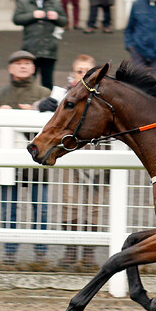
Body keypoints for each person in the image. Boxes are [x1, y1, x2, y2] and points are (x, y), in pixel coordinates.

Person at [0, 50, 53, 267]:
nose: (23, 67)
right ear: (10, 68)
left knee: (41, 208)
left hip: (37, 164)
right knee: (9, 209)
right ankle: (9, 254)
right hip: (7, 165)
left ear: (34, 68)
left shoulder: (45, 93)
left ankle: (41, 255)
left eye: (27, 63)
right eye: (18, 63)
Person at [59, 54, 105, 271]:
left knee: (95, 206)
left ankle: (88, 254)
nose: (82, 75)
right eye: (79, 71)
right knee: (71, 203)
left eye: (87, 71)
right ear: (73, 73)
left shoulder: (102, 95)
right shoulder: (62, 94)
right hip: (71, 155)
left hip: (98, 157)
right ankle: (69, 251)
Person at [12, 0, 67, 89]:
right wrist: (32, 15)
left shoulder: (55, 2)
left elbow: (64, 21)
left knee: (47, 83)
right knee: (27, 81)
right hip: (30, 48)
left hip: (49, 50)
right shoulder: (24, 1)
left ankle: (46, 106)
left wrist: (56, 17)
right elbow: (16, 19)